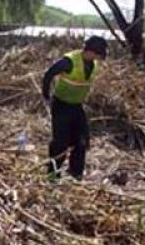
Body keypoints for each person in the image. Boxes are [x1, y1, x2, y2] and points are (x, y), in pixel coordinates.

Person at [42, 36, 108, 181]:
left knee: (81, 141)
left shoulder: (93, 64)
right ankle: (53, 175)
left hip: (77, 106)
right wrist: (46, 96)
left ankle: (75, 174)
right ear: (91, 51)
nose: (99, 58)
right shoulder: (69, 61)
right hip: (61, 106)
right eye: (98, 54)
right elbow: (48, 74)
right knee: (60, 143)